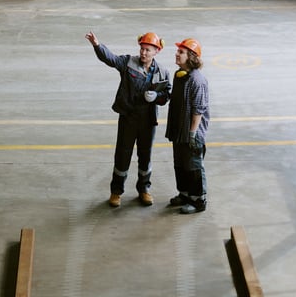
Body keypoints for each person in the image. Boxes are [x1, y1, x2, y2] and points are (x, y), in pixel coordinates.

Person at [85, 30, 171, 208]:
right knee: (122, 156)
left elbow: (166, 94)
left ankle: (144, 190)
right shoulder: (128, 63)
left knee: (145, 157)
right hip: (128, 118)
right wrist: (97, 45)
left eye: (148, 50)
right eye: (142, 49)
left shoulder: (162, 72)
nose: (143, 53)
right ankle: (116, 192)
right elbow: (110, 59)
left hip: (148, 121)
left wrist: (156, 97)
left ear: (157, 51)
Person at [165, 38, 210, 214]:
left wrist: (192, 133)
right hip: (179, 131)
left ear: (191, 57)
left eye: (181, 52)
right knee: (180, 163)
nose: (177, 54)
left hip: (191, 132)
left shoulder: (196, 80)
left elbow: (198, 110)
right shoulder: (180, 76)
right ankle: (184, 194)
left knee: (193, 166)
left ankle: (198, 200)